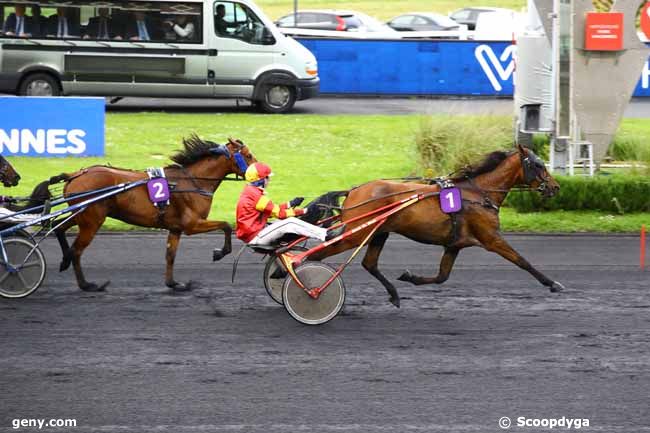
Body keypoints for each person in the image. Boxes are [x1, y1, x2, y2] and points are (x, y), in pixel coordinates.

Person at [236, 162, 344, 246]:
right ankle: (326, 235)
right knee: (290, 222)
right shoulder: (256, 196)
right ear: (261, 180)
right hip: (255, 237)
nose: (269, 180)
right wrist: (304, 211)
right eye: (267, 178)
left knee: (283, 222)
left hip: (253, 233)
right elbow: (280, 214)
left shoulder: (250, 191)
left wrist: (291, 203)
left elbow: (273, 210)